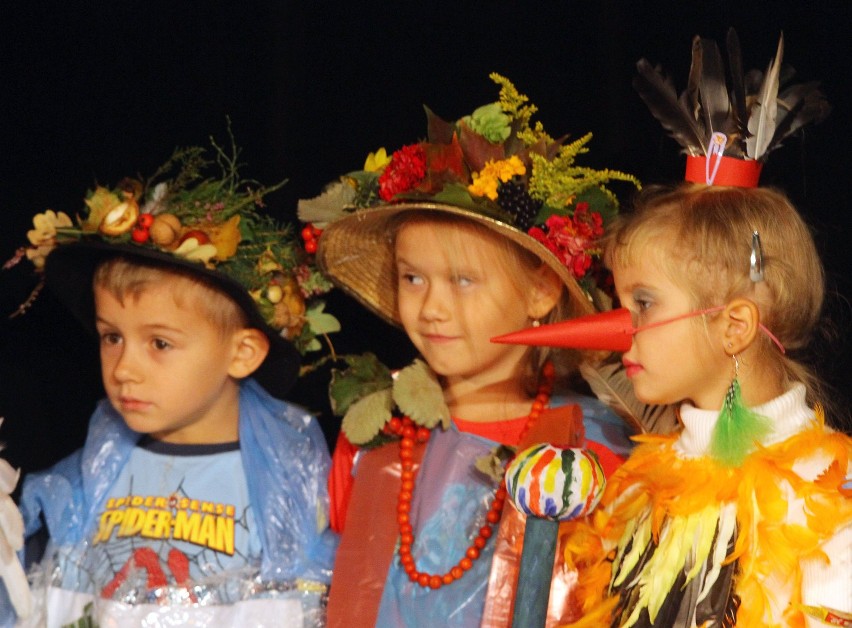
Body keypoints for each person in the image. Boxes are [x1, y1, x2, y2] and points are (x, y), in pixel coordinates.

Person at [298, 73, 654, 627]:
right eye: (412, 278)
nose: (432, 308)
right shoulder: (374, 437)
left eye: (463, 281)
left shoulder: (600, 448)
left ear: (541, 290)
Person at [0, 136, 339, 627]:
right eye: (111, 337)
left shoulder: (288, 488)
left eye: (159, 343)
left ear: (241, 353)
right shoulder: (84, 481)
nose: (123, 368)